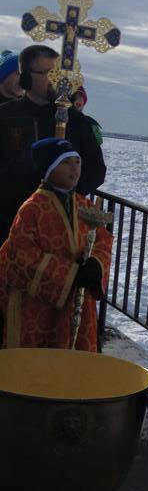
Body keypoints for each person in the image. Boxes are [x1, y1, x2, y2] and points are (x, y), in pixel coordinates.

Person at [0, 137, 111, 351]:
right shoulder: (32, 208)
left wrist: (96, 266)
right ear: (49, 169)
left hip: (77, 299)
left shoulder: (83, 203)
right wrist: (69, 274)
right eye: (66, 163)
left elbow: (102, 239)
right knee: (37, 365)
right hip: (38, 305)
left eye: (77, 162)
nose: (74, 169)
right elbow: (21, 255)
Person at [0, 45, 106, 245]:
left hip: (60, 229)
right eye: (49, 72)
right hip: (9, 226)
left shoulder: (78, 122)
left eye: (60, 72)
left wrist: (64, 190)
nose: (57, 79)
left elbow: (96, 169)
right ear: (26, 77)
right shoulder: (5, 116)